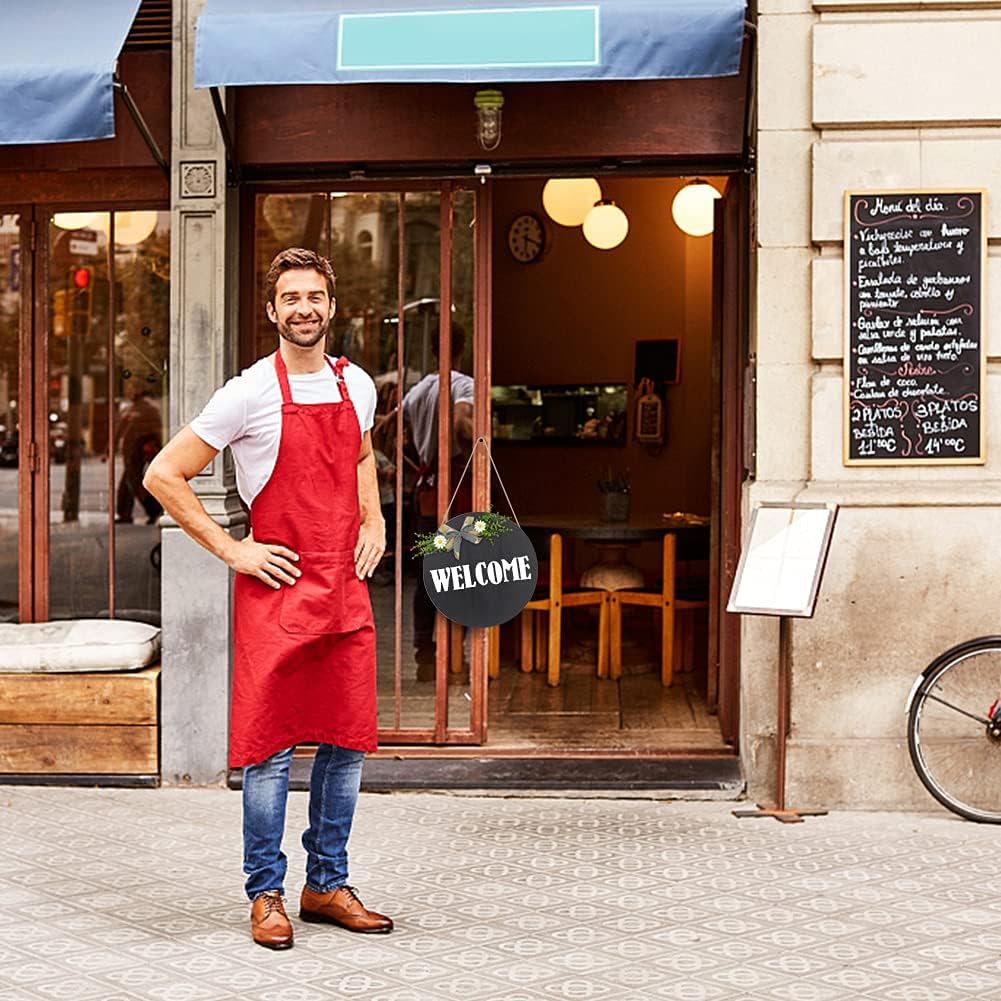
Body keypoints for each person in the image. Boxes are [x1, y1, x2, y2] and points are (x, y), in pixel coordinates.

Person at [144, 248, 391, 951]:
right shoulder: (248, 391)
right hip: (276, 589)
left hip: (342, 589)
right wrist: (234, 549)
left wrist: (373, 520)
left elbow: (360, 457)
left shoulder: (357, 385)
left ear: (331, 306)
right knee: (270, 752)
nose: (304, 307)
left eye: (315, 295)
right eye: (291, 297)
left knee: (345, 745)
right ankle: (266, 893)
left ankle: (327, 883)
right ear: (272, 310)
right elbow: (165, 474)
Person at [401, 325, 474, 679]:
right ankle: (455, 651)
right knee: (460, 568)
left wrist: (414, 461)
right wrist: (481, 435)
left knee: (427, 571)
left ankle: (423, 653)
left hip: (425, 488)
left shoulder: (418, 391)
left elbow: (392, 431)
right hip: (454, 486)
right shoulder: (463, 384)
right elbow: (461, 424)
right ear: (462, 348)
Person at [113, 389, 163, 524]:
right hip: (148, 449)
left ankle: (150, 510)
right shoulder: (152, 410)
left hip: (134, 450)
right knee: (135, 481)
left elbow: (119, 431)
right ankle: (150, 511)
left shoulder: (132, 411)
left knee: (132, 481)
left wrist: (110, 448)